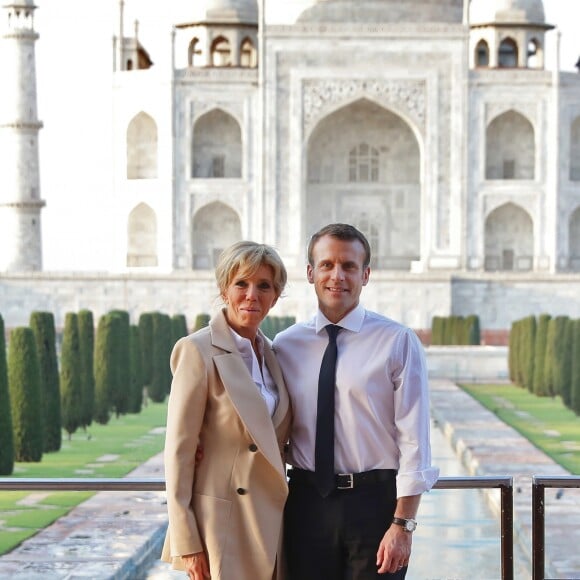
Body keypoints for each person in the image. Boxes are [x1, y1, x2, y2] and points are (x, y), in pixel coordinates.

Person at [273, 223, 439, 579]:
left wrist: (403, 524)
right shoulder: (286, 345)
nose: (337, 276)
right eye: (327, 265)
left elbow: (414, 439)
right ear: (309, 272)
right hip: (305, 503)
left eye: (349, 266)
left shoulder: (397, 341)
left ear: (365, 275)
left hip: (375, 506)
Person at [161, 241, 292, 580]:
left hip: (272, 520)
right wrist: (186, 540)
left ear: (275, 296)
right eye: (242, 284)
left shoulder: (274, 354)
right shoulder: (197, 350)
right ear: (224, 290)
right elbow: (179, 453)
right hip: (221, 524)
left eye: (264, 286)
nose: (252, 295)